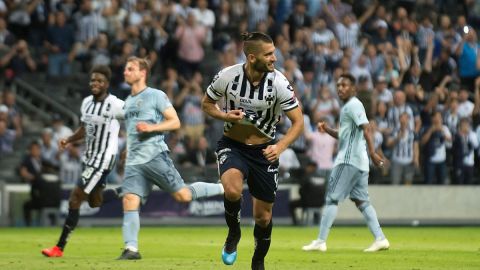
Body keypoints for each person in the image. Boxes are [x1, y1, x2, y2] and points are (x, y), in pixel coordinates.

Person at [201, 32, 304, 270]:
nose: (274, 58)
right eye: (268, 54)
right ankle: (234, 233)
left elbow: (298, 123)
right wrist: (225, 115)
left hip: (264, 151)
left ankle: (258, 260)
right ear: (252, 57)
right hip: (232, 145)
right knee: (233, 189)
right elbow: (206, 104)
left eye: (273, 53)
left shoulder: (279, 82)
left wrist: (280, 147)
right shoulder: (227, 76)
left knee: (263, 217)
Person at [116, 56, 224, 260]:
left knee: (182, 195)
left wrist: (152, 128)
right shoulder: (128, 102)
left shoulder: (156, 95)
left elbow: (174, 122)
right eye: (125, 69)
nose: (125, 72)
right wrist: (127, 150)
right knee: (130, 200)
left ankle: (222, 188)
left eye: (130, 69)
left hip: (155, 156)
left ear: (142, 73)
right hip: (134, 162)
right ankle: (131, 248)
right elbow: (133, 131)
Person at [41, 65, 125, 257]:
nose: (95, 83)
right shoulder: (86, 102)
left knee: (75, 198)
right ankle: (124, 190)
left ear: (107, 84)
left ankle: (58, 247)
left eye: (100, 81)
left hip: (104, 159)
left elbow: (135, 120)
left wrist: (129, 147)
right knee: (95, 202)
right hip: (89, 158)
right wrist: (69, 139)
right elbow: (84, 128)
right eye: (93, 80)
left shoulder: (116, 104)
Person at [302, 74, 389, 253]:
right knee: (361, 201)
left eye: (345, 85)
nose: (340, 88)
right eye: (339, 85)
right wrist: (326, 129)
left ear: (353, 89)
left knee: (331, 198)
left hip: (348, 161)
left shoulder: (354, 105)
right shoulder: (348, 108)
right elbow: (344, 135)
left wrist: (373, 152)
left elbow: (366, 128)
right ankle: (380, 238)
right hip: (360, 163)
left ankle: (320, 241)